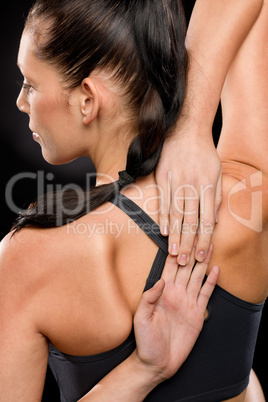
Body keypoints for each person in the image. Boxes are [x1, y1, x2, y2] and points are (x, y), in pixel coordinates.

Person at [0, 0, 267, 401]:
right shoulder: (245, 199)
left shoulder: (28, 258)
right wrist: (192, 125)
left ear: (87, 99)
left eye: (31, 84)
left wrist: (142, 374)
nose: (21, 102)